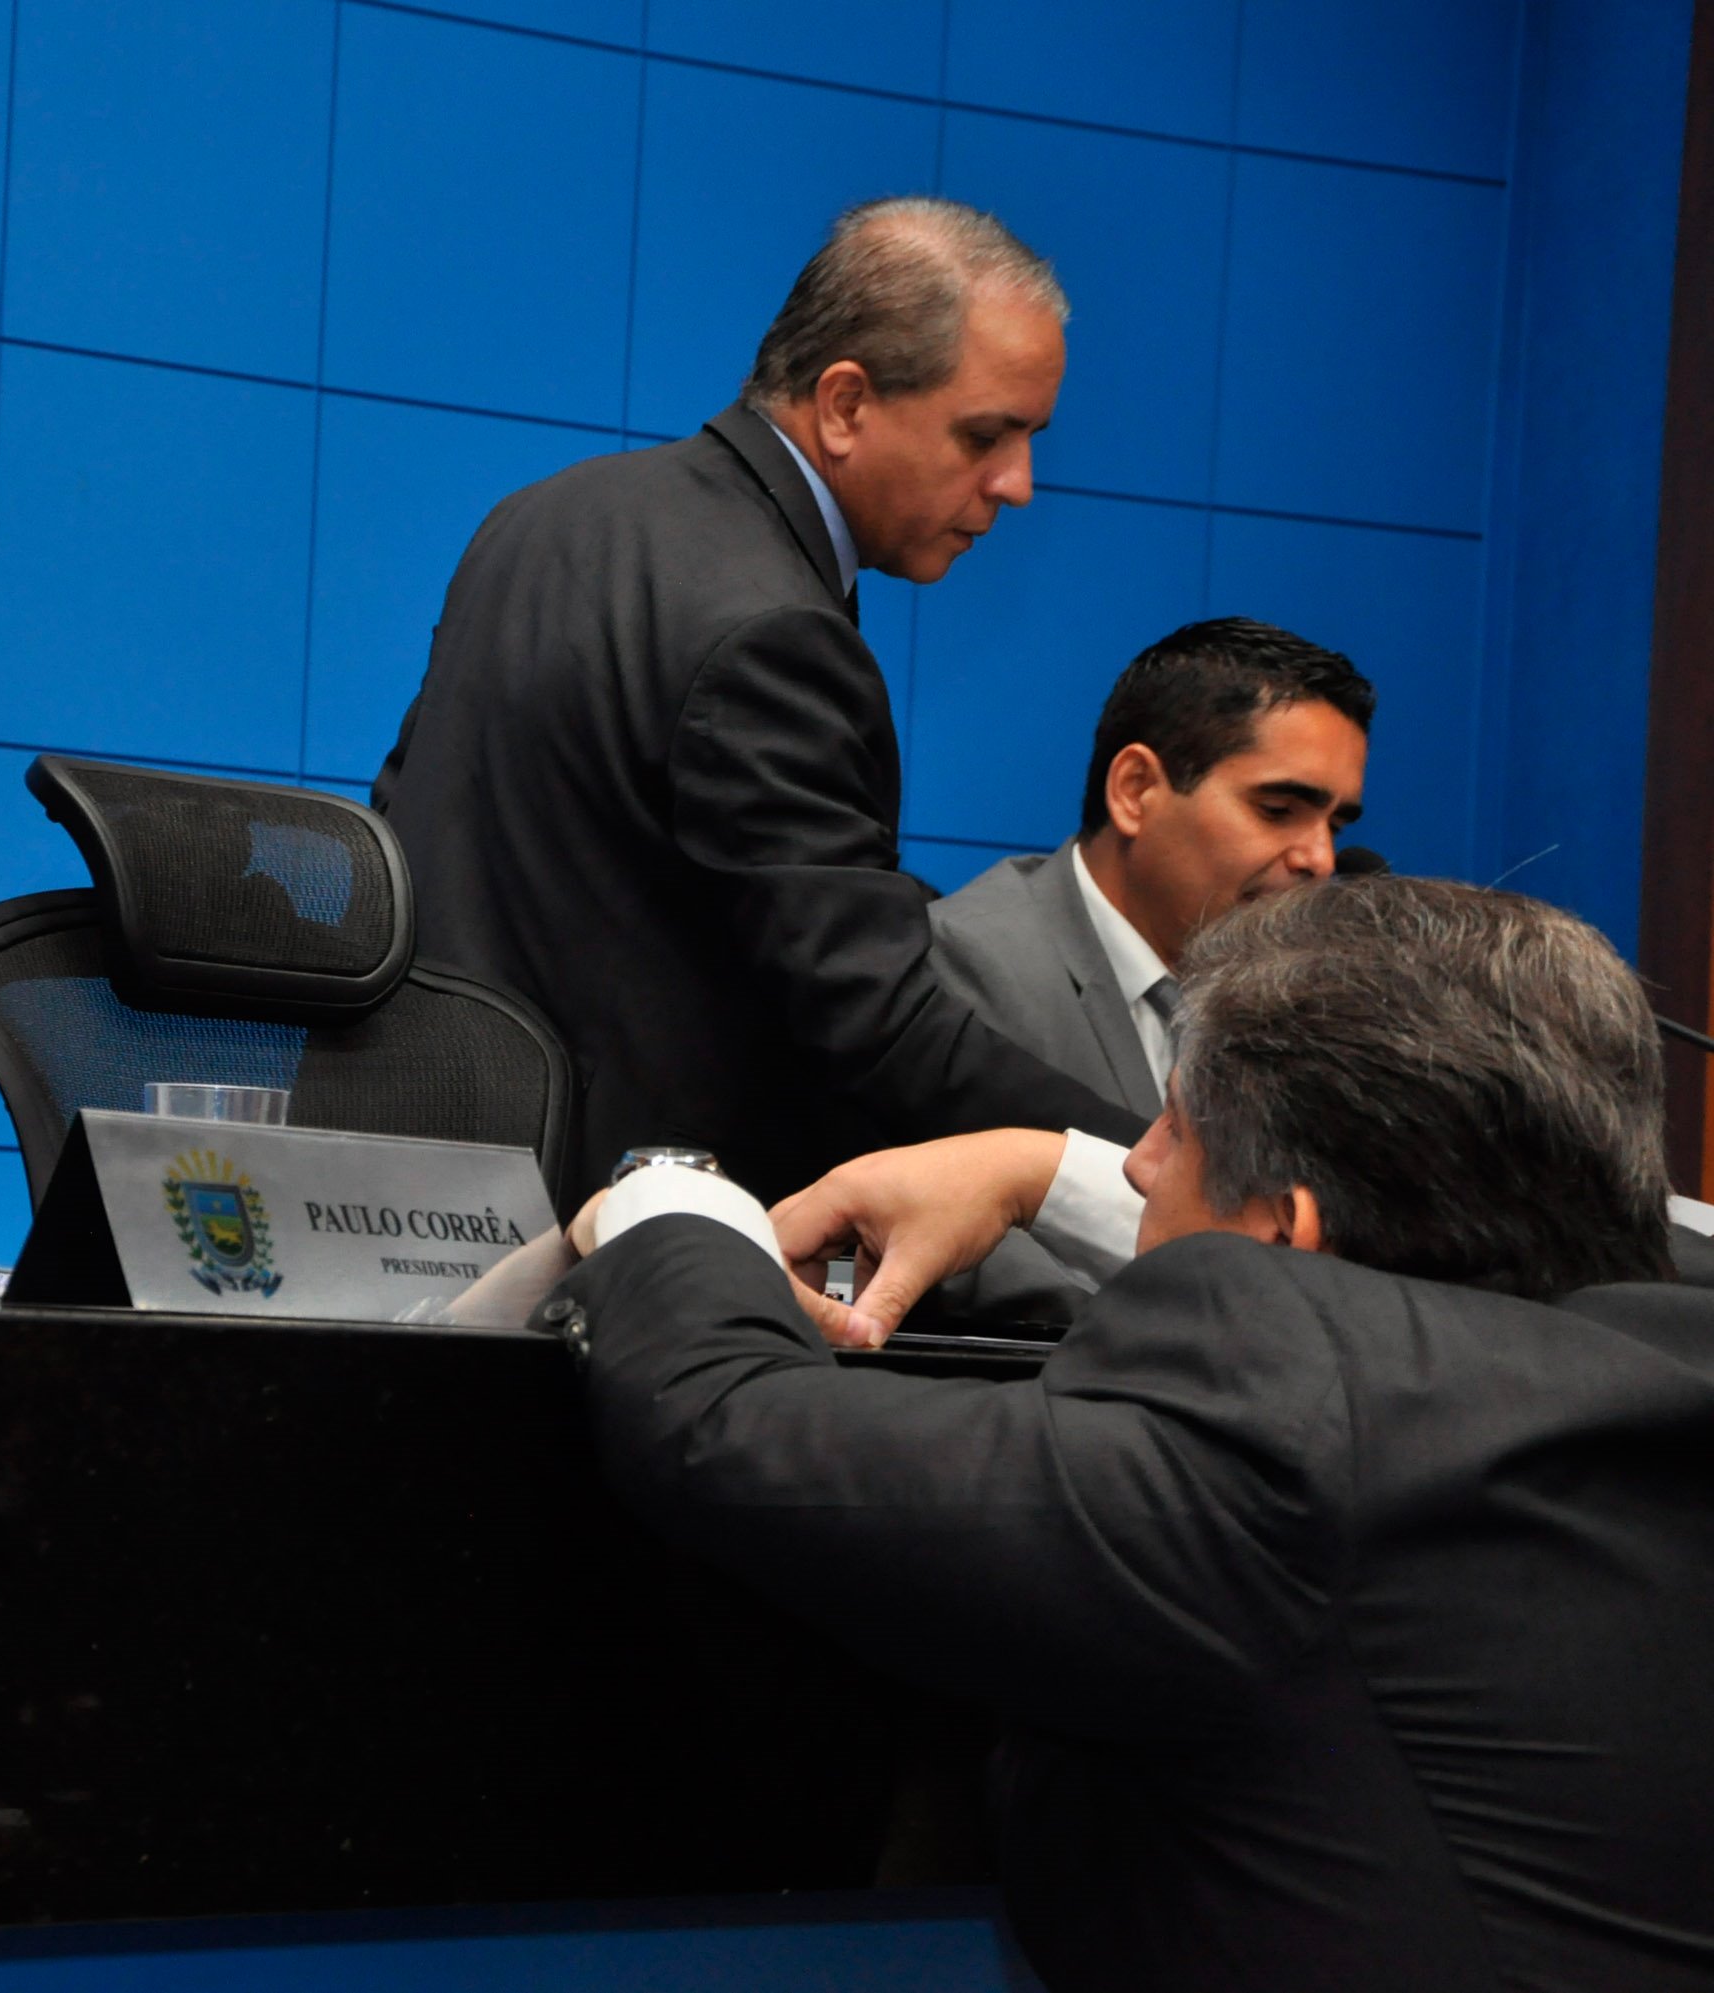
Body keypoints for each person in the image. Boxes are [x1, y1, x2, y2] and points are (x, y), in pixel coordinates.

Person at [541, 877, 1714, 1989]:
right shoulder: (1662, 1357)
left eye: (1176, 1125)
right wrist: (1038, 1170)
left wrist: (672, 1200)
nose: (1141, 1161)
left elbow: (726, 1424)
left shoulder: (1294, 1441)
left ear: (1287, 1232)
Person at [374, 195, 1147, 1210]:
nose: (1018, 484)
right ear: (845, 405)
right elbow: (873, 1024)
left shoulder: (541, 515)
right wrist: (1162, 1172)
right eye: (985, 436)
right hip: (620, 1233)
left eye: (1030, 437)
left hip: (417, 1181)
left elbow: (414, 815)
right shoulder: (774, 628)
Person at [931, 617, 1371, 1119]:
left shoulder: (1294, 999)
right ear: (1135, 790)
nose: (1321, 860)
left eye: (1335, 827)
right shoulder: (967, 971)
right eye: (1276, 810)